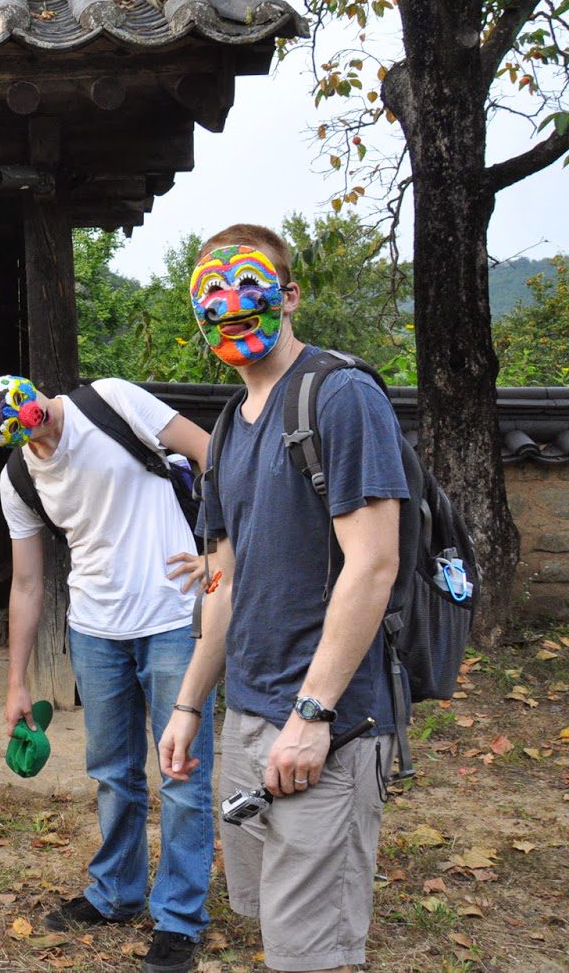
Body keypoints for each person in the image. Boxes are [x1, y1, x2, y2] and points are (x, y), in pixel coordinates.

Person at [159, 227, 406, 973]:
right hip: (251, 715)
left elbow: (373, 564)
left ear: (290, 294)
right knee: (271, 920)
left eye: (249, 289)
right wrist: (190, 704)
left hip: (326, 723)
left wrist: (313, 712)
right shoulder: (230, 426)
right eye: (213, 301)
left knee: (313, 953)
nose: (230, 311)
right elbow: (224, 581)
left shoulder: (340, 396)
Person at [0, 371, 215, 973]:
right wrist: (17, 682)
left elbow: (211, 452)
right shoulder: (18, 478)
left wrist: (217, 549)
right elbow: (25, 585)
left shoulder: (111, 401)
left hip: (174, 618)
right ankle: (117, 893)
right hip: (95, 630)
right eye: (18, 422)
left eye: (31, 401)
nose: (39, 417)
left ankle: (178, 917)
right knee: (112, 772)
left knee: (181, 771)